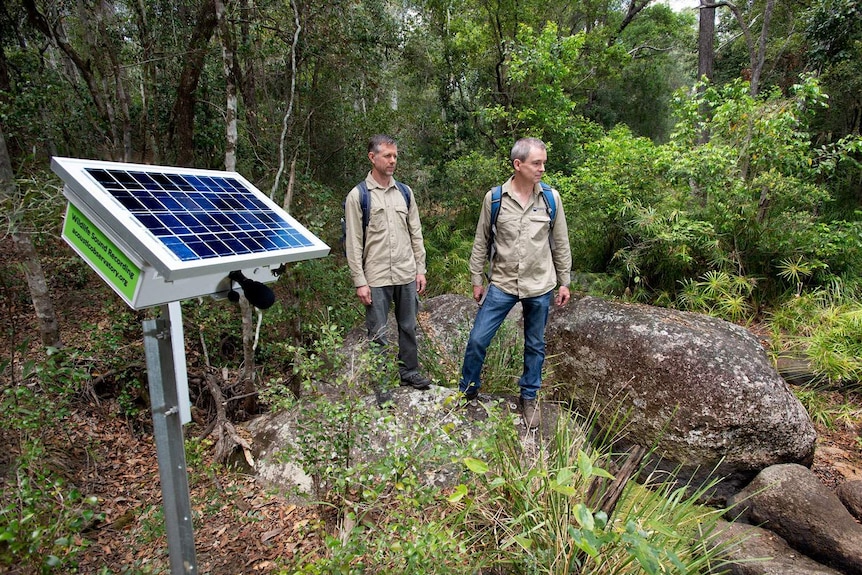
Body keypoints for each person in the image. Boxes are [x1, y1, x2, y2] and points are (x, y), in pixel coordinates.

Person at [459, 137, 572, 429]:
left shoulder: (551, 198)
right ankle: (468, 391)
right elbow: (481, 240)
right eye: (537, 163)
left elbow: (560, 242)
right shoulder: (494, 198)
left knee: (535, 344)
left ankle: (529, 397)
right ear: (518, 164)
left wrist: (564, 281)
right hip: (503, 283)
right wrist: (476, 278)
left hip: (539, 285)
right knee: (477, 339)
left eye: (544, 163)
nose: (542, 169)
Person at [344, 134, 432, 396]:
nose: (393, 160)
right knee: (378, 333)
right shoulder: (358, 195)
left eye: (395, 156)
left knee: (408, 326)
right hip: (377, 276)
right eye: (387, 156)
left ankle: (409, 372)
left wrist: (420, 268)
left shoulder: (404, 192)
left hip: (406, 272)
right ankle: (382, 385)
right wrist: (360, 281)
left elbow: (415, 232)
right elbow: (353, 242)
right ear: (372, 157)